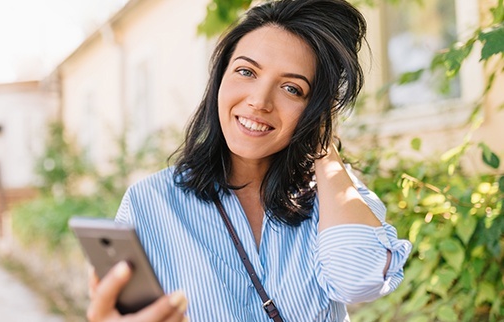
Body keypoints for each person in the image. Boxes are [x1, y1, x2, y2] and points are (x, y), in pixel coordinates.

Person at [87, 0, 412, 321]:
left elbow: (359, 280)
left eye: (292, 89)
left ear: (315, 111)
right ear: (220, 78)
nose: (259, 101)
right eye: (246, 71)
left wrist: (322, 145)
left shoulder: (334, 197)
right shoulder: (150, 202)